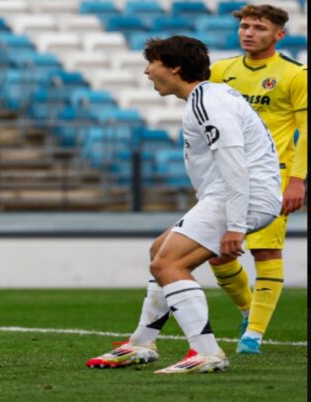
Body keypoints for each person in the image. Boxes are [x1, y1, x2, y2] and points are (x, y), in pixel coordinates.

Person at [86, 35, 281, 374]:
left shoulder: (209, 102)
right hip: (232, 194)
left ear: (174, 67)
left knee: (170, 266)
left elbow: (235, 165)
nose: (147, 72)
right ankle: (141, 343)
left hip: (241, 195)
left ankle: (206, 351)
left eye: (152, 64)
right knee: (159, 252)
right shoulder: (207, 97)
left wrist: (236, 225)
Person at [206, 4, 307, 355]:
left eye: (259, 28)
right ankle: (249, 311)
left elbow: (306, 130)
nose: (248, 33)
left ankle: (254, 336)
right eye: (245, 26)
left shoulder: (296, 74)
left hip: (272, 177)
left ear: (279, 35)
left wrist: (298, 180)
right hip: (227, 175)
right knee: (218, 254)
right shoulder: (220, 71)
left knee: (266, 250)